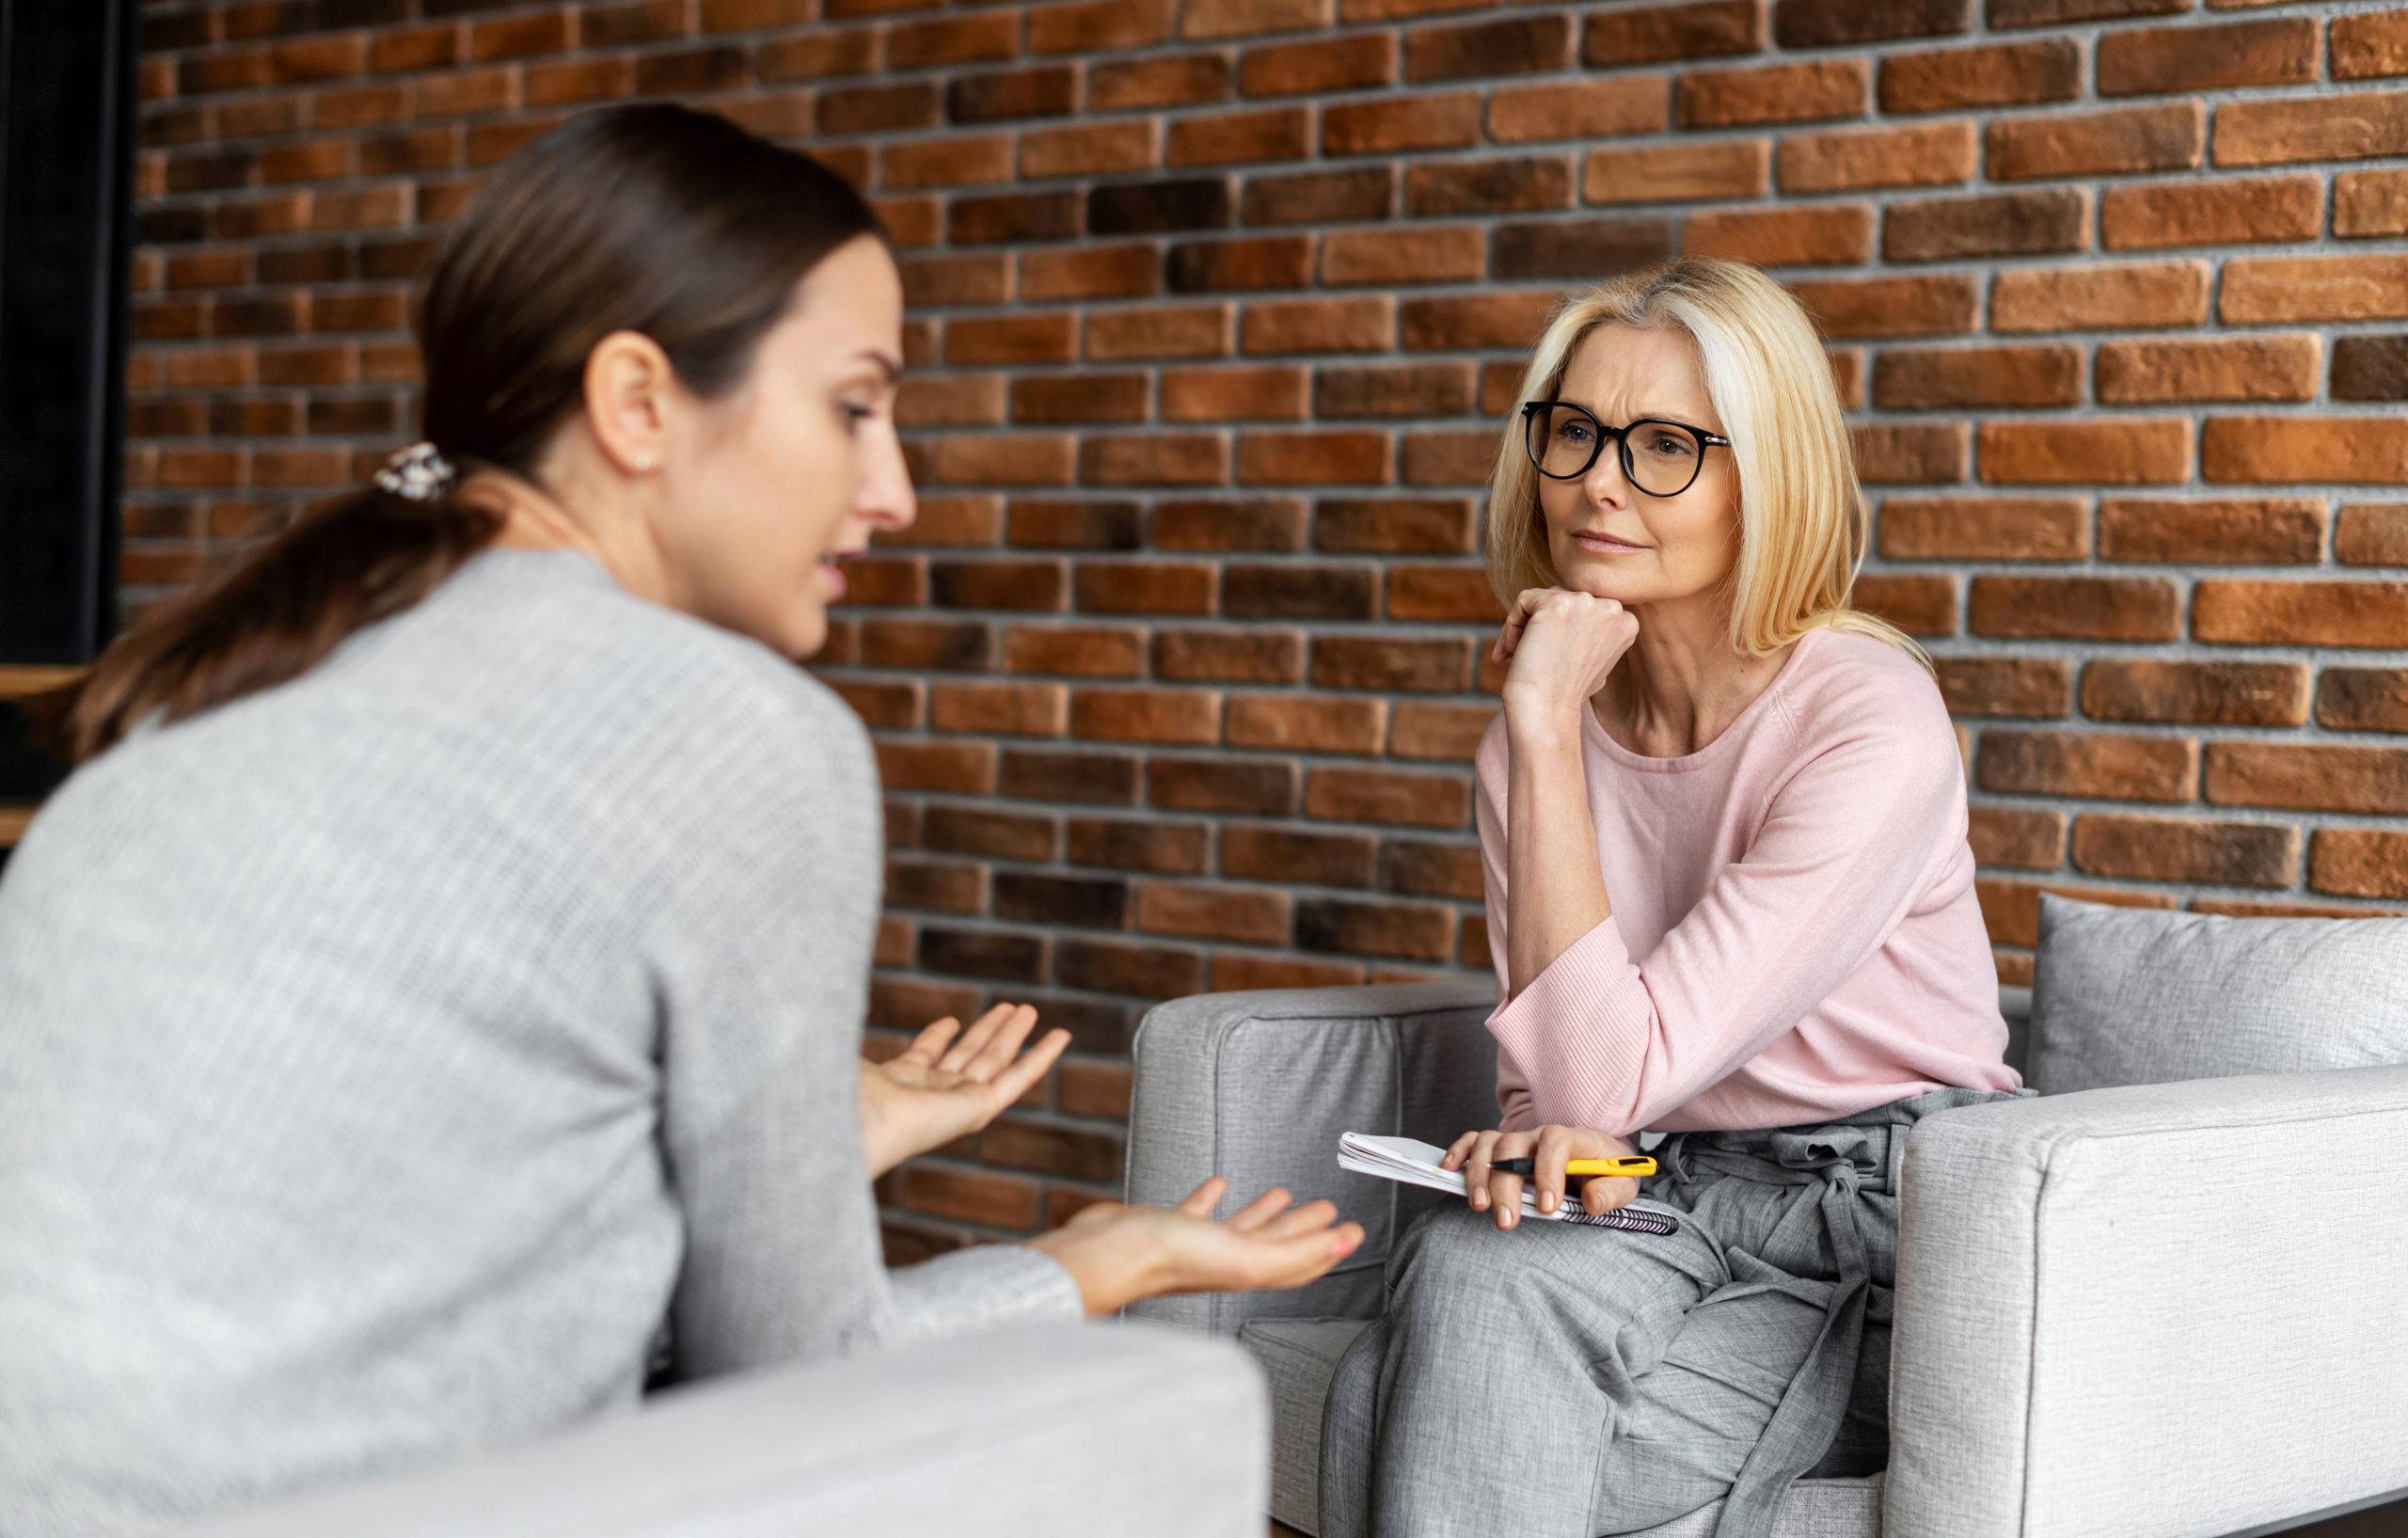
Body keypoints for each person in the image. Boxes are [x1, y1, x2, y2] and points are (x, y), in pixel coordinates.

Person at [0, 102, 1360, 1537]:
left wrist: (837, 1137)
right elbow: (799, 1388)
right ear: (639, 402)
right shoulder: (739, 736)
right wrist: (1097, 1261)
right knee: (1163, 1409)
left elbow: (380, 1232)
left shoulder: (230, 678)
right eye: (855, 405)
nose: (894, 492)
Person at [1315, 258, 2027, 1538]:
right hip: (1652, 1186)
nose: (1598, 480)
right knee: (1472, 1276)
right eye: (1576, 432)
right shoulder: (1536, 742)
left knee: (1389, 1400)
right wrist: (1531, 1140)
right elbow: (1567, 1102)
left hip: (1875, 1220)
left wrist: (1538, 725)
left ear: (1766, 475)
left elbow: (1602, 1078)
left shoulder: (1865, 720)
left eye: (1664, 447)